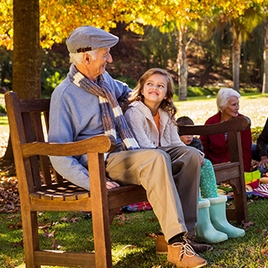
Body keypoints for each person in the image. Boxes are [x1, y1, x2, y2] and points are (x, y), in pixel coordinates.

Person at [48, 26, 207, 268]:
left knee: (190, 155)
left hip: (128, 152)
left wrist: (155, 99)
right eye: (105, 53)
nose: (110, 59)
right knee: (155, 158)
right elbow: (58, 153)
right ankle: (177, 247)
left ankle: (182, 237)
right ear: (87, 56)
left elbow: (131, 93)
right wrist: (91, 180)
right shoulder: (65, 95)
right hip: (103, 160)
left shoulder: (105, 81)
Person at [124, 68, 213, 253]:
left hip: (163, 157)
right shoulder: (134, 112)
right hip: (143, 161)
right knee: (166, 157)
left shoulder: (165, 113)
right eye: (149, 84)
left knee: (192, 156)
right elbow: (143, 147)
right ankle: (176, 238)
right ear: (141, 89)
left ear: (166, 94)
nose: (154, 88)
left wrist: (193, 152)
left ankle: (188, 235)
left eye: (160, 86)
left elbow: (175, 143)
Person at [177, 116, 245, 243]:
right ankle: (203, 228)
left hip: (199, 165)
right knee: (192, 166)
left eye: (191, 133)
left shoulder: (196, 143)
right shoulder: (175, 143)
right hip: (181, 168)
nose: (189, 137)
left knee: (206, 164)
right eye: (186, 134)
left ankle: (218, 221)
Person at [199, 87, 252, 172]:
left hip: (235, 168)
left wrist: (244, 172)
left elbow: (246, 150)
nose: (237, 107)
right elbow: (203, 148)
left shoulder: (243, 123)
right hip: (213, 168)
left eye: (238, 104)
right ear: (222, 106)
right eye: (234, 105)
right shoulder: (211, 122)